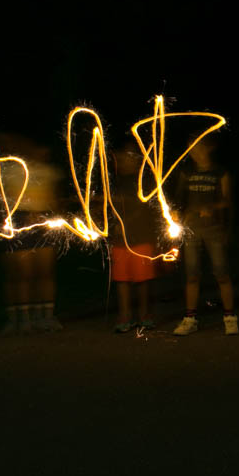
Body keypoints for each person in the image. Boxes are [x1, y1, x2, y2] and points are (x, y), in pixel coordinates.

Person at [172, 136, 238, 336]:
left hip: (214, 230)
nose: (194, 152)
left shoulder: (220, 172)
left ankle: (230, 317)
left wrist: (213, 207)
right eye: (191, 148)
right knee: (192, 275)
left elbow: (228, 200)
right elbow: (178, 198)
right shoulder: (186, 172)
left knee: (221, 273)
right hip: (191, 230)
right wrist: (175, 212)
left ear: (210, 147)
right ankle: (190, 319)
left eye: (198, 147)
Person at [0, 135, 63, 334]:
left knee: (44, 272)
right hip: (16, 221)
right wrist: (14, 217)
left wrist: (46, 214)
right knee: (19, 274)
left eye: (46, 150)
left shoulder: (50, 172)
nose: (44, 153)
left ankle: (45, 316)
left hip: (43, 222)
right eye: (39, 148)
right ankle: (18, 319)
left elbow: (55, 199)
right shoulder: (9, 169)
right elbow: (0, 200)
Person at [110, 143, 161, 333]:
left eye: (129, 157)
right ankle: (125, 316)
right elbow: (110, 207)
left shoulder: (145, 182)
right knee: (122, 280)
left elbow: (145, 207)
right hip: (120, 241)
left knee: (143, 280)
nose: (124, 161)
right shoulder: (115, 182)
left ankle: (145, 315)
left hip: (141, 238)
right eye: (122, 158)